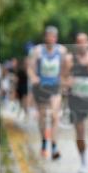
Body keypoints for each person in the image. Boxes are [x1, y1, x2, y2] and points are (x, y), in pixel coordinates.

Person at [27, 26, 69, 159]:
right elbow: (30, 68)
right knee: (43, 117)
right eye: (48, 36)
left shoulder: (62, 50)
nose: (51, 39)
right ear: (44, 37)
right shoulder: (37, 51)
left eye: (53, 37)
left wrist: (64, 79)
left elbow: (66, 67)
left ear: (56, 38)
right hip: (41, 87)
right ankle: (44, 142)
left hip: (55, 86)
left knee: (55, 116)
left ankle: (54, 145)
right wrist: (33, 77)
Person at [64, 32, 88, 173]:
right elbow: (63, 78)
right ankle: (83, 161)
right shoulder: (70, 59)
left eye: (84, 41)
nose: (82, 44)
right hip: (76, 100)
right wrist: (67, 82)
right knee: (80, 133)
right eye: (79, 42)